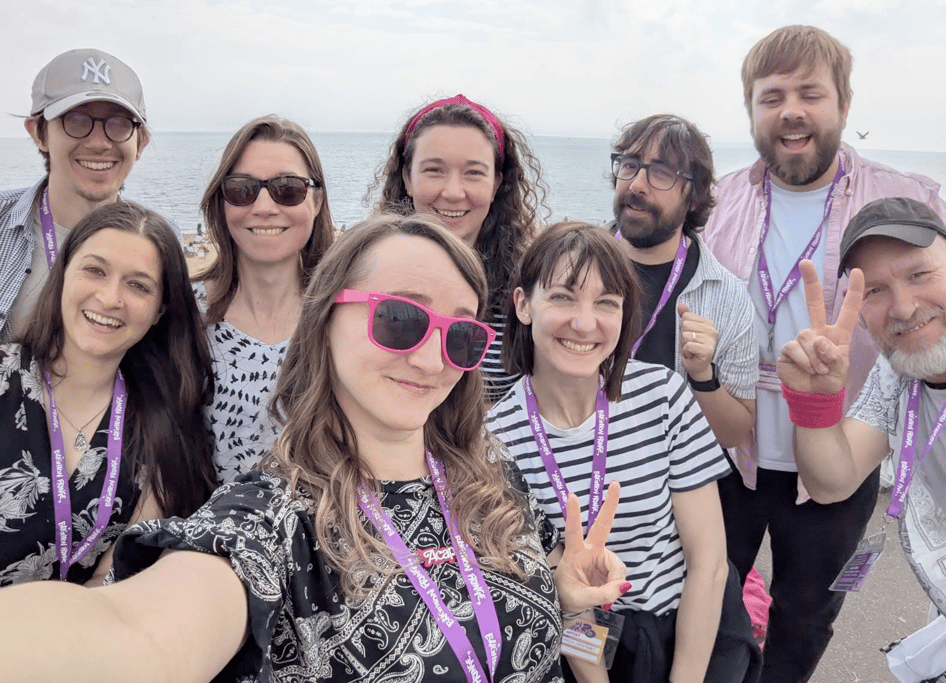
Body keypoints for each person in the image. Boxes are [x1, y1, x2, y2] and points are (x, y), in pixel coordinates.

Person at [0, 214, 630, 683]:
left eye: (460, 335)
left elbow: (558, 638)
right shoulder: (272, 519)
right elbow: (138, 637)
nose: (432, 357)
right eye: (401, 319)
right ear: (327, 318)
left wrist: (566, 598)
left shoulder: (494, 478)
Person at [702, 24, 946, 682]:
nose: (791, 109)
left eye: (810, 93)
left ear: (843, 104)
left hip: (846, 448)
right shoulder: (715, 201)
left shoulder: (909, 198)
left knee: (808, 612)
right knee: (706, 593)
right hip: (728, 450)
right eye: (772, 95)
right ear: (753, 111)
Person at [486, 222, 760, 682]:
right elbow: (567, 599)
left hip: (695, 624)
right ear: (523, 305)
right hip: (588, 642)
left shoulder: (663, 395)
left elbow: (708, 563)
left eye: (606, 303)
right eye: (562, 297)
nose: (585, 322)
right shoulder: (496, 440)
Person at [778, 198, 946, 680]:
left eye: (920, 274)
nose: (903, 307)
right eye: (876, 290)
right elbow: (833, 480)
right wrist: (814, 403)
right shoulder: (898, 373)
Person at [0, 201, 215, 587]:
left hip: (77, 639)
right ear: (63, 273)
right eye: (94, 270)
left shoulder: (161, 427)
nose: (110, 298)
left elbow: (115, 577)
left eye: (138, 285)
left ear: (160, 309)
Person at [372, 94, 547, 403]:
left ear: (496, 184)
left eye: (473, 173)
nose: (453, 192)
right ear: (407, 179)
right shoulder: (366, 276)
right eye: (434, 170)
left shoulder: (529, 289)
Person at [194, 115, 335, 482]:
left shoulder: (344, 317)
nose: (264, 207)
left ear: (317, 202)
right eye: (242, 189)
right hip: (200, 535)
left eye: (288, 189)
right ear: (222, 202)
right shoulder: (184, 313)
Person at [610, 114, 757, 449]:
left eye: (661, 173)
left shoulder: (727, 297)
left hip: (674, 493)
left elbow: (733, 435)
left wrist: (703, 376)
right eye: (630, 165)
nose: (636, 184)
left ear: (693, 197)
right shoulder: (570, 268)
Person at [0, 48, 150, 341]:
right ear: (38, 133)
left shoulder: (156, 243)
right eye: (77, 121)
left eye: (119, 124)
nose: (99, 143)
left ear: (140, 141)